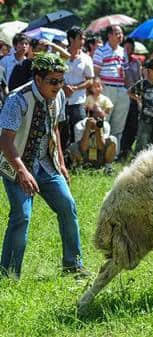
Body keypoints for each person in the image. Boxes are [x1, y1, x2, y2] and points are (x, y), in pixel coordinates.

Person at [0, 52, 88, 278]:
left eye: (61, 81)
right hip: (17, 165)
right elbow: (5, 140)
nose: (59, 86)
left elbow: (55, 130)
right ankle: (9, 274)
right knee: (22, 215)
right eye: (53, 81)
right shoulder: (17, 99)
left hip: (46, 164)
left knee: (68, 207)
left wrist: (62, 164)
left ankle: (73, 265)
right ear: (38, 79)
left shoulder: (58, 96)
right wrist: (22, 172)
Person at [93, 25, 129, 156]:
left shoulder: (123, 51)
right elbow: (96, 74)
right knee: (104, 123)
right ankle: (100, 154)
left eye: (121, 33)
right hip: (106, 88)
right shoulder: (100, 51)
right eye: (117, 33)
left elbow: (125, 72)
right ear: (109, 35)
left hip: (121, 89)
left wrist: (128, 89)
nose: (121, 36)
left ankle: (113, 156)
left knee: (118, 125)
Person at [61, 27, 94, 151]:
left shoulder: (86, 58)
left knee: (80, 130)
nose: (83, 41)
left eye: (83, 38)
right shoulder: (61, 55)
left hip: (78, 101)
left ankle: (79, 159)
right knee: (62, 132)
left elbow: (90, 80)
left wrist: (75, 88)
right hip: (62, 100)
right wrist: (64, 86)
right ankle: (63, 159)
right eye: (80, 38)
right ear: (71, 39)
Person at [69, 104, 117, 174]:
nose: (100, 121)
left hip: (100, 155)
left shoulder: (105, 125)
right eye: (97, 118)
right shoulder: (79, 126)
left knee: (113, 140)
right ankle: (80, 167)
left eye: (102, 118)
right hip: (84, 155)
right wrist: (87, 129)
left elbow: (102, 147)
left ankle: (108, 168)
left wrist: (98, 130)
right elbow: (82, 148)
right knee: (73, 146)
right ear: (89, 116)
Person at [120, 37, 143, 160]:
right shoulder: (120, 60)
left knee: (133, 125)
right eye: (126, 47)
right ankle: (121, 150)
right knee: (122, 123)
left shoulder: (136, 62)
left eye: (130, 48)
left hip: (134, 97)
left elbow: (139, 79)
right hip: (122, 95)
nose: (128, 50)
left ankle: (127, 148)